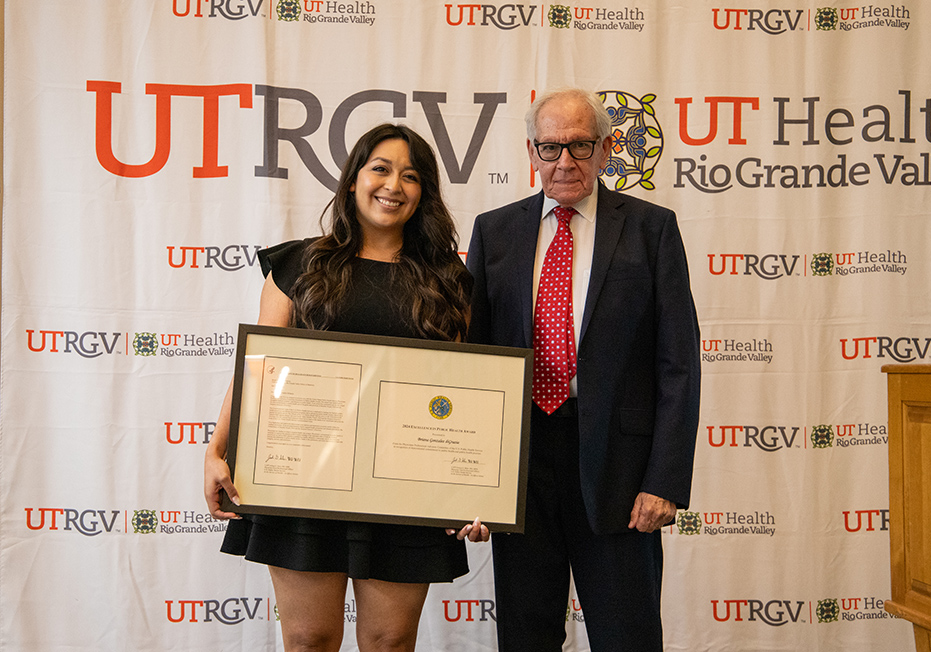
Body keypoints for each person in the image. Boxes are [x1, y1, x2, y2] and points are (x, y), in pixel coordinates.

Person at [204, 123, 488, 652]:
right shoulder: (300, 264)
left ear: (424, 191)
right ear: (354, 179)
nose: (393, 185)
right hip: (302, 481)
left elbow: (465, 393)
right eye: (380, 169)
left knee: (389, 641)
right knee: (309, 639)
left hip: (407, 483)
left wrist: (476, 486)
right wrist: (217, 449)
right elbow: (257, 367)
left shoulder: (449, 278)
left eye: (410, 176)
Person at [466, 88, 701, 651]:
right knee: (526, 635)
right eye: (550, 148)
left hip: (619, 473)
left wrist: (663, 481)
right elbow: (472, 364)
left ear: (606, 150)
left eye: (579, 145)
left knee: (628, 635)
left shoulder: (652, 229)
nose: (564, 162)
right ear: (531, 152)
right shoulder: (494, 232)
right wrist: (469, 481)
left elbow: (678, 365)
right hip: (519, 468)